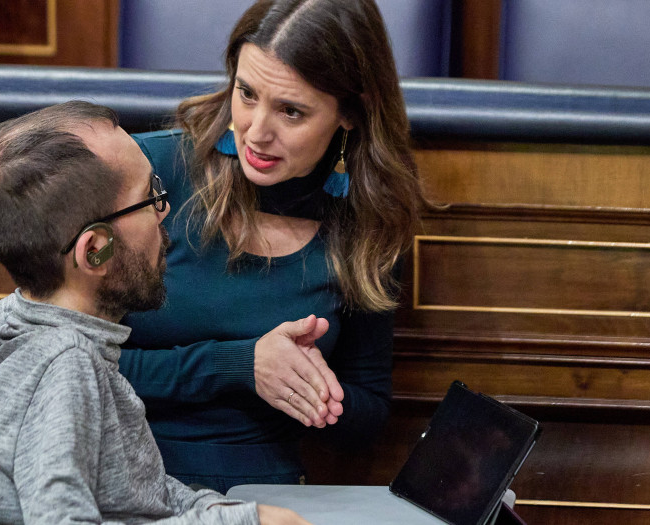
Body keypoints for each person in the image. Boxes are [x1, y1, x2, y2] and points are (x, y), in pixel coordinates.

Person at [0, 101, 308, 525]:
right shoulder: (66, 365)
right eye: (149, 197)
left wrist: (225, 512)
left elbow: (138, 493)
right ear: (95, 250)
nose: (165, 211)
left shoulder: (12, 318)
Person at [120, 0, 428, 493]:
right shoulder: (148, 174)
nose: (256, 133)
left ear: (350, 113)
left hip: (261, 495)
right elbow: (66, 360)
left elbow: (367, 415)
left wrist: (307, 385)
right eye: (246, 93)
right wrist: (240, 364)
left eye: (290, 111)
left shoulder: (371, 221)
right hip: (115, 477)